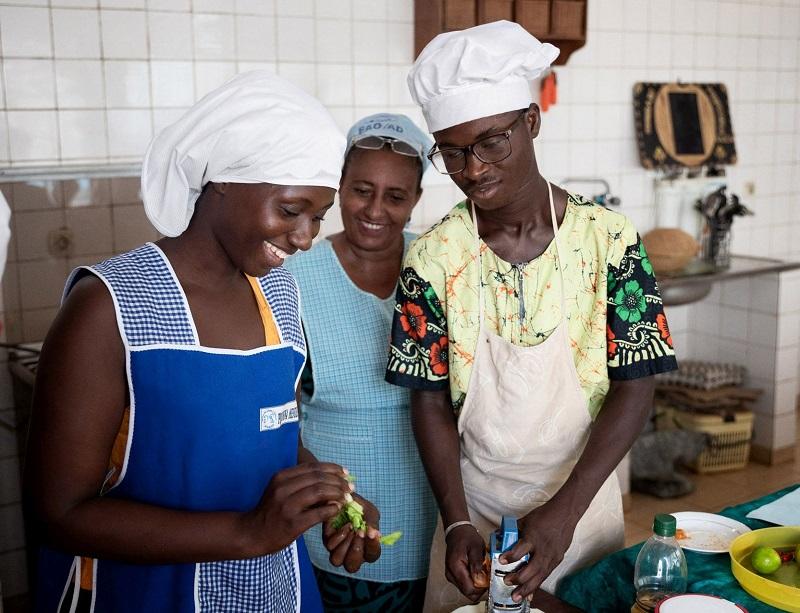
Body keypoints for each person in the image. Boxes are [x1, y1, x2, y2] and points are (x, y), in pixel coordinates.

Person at [24, 71, 381, 613]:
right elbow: (57, 513)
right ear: (224, 181)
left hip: (274, 590)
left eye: (317, 216)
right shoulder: (109, 306)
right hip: (140, 596)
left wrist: (328, 497)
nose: (306, 238)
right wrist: (246, 533)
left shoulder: (278, 292)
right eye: (290, 210)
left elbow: (264, 432)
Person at [385, 21, 679, 612]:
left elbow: (636, 384)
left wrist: (564, 513)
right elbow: (428, 399)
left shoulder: (609, 242)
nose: (472, 168)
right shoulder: (435, 258)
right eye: (452, 151)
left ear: (532, 121)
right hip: (474, 511)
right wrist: (458, 524)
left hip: (582, 502)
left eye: (491, 142)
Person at [285, 113, 438, 612]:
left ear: (415, 200)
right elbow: (276, 417)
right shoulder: (294, 276)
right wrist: (333, 502)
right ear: (339, 188)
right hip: (333, 524)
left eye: (395, 197)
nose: (375, 210)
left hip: (436, 517)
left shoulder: (439, 267)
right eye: (360, 190)